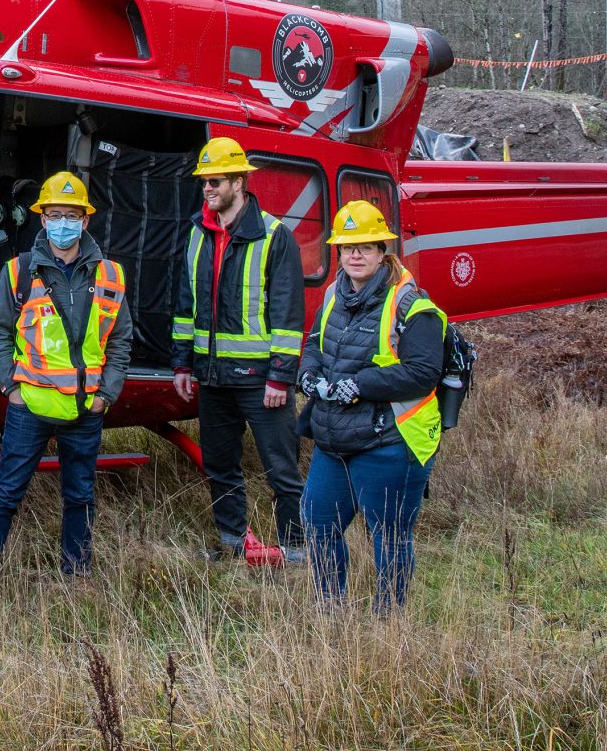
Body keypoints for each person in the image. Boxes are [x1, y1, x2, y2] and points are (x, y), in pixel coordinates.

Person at [0, 172, 131, 579]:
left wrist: (105, 395)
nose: (63, 223)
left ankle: (75, 578)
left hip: (85, 410)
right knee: (6, 493)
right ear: (42, 219)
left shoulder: (110, 275)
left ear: (85, 220)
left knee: (80, 497)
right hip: (31, 408)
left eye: (71, 215)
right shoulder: (18, 271)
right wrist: (9, 387)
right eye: (55, 214)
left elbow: (121, 341)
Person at [297, 199, 449, 612]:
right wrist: (308, 374)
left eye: (365, 246)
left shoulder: (411, 306)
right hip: (334, 440)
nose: (356, 254)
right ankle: (332, 611)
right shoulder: (332, 294)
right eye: (348, 247)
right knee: (318, 523)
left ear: (383, 250)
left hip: (390, 443)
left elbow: (422, 373)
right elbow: (314, 344)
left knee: (389, 538)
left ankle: (389, 622)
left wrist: (357, 385)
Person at [171, 136, 306, 560]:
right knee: (221, 467)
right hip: (212, 378)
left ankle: (298, 548)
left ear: (239, 183)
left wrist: (281, 376)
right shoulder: (197, 233)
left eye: (216, 181)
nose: (208, 188)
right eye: (204, 182)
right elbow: (184, 304)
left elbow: (288, 311)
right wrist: (182, 364)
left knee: (282, 470)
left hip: (260, 381)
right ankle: (232, 543)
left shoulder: (274, 235)